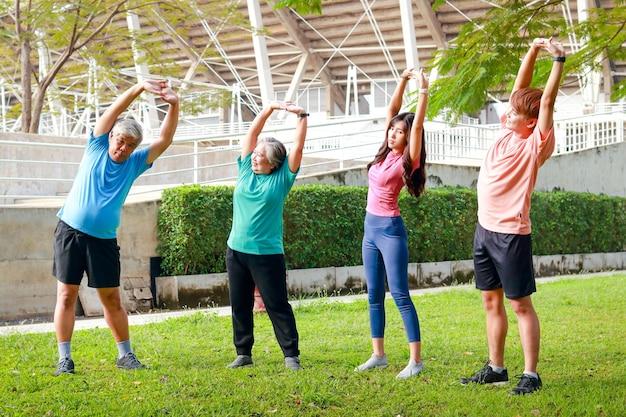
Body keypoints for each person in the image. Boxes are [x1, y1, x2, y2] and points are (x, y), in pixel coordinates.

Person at [460, 38, 566, 395]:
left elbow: (547, 100)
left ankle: (531, 374)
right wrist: (533, 51)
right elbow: (520, 90)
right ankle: (496, 368)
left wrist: (558, 60)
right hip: (484, 230)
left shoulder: (535, 144)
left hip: (511, 234)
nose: (506, 115)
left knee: (519, 304)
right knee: (491, 301)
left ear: (532, 123)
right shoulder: (509, 129)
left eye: (515, 115)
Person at [52, 79, 179, 376]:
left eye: (131, 145)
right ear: (111, 137)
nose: (124, 148)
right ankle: (64, 359)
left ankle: (125, 355)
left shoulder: (134, 164)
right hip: (70, 232)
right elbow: (113, 111)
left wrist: (173, 104)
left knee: (111, 299)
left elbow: (165, 140)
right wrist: (138, 88)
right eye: (121, 140)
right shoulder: (96, 146)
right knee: (66, 295)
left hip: (104, 241)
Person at [355, 67, 428, 379]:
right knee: (374, 294)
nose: (393, 133)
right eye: (392, 130)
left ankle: (416, 362)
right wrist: (402, 81)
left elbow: (418, 124)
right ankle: (379, 355)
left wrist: (423, 90)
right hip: (370, 228)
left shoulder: (407, 159)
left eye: (399, 131)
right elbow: (391, 110)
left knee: (399, 293)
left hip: (390, 231)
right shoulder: (384, 154)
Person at [225, 100, 308, 371]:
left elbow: (298, 148)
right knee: (240, 304)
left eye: (261, 154)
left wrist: (301, 116)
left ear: (274, 164)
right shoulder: (246, 168)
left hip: (267, 254)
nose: (255, 156)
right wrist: (269, 109)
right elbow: (251, 135)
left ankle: (290, 355)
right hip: (236, 250)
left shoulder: (282, 179)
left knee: (276, 305)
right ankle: (243, 352)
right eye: (256, 152)